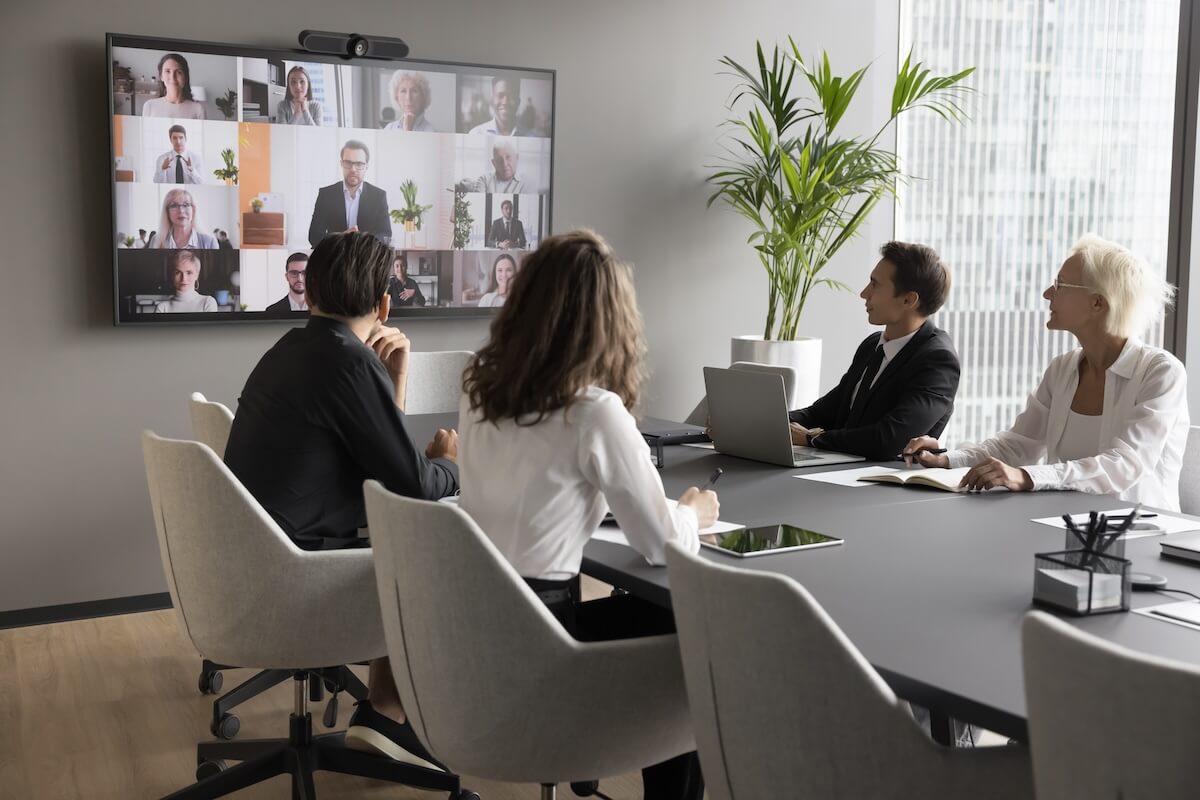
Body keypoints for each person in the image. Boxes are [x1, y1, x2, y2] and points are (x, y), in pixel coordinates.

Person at [458, 229, 716, 800]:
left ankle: (589, 756)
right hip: (548, 658)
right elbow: (661, 547)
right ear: (608, 320)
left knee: (639, 609)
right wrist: (692, 514)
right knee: (691, 627)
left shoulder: (480, 391)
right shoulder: (594, 413)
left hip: (479, 642)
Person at [223, 231, 458, 769]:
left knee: (397, 528)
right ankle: (388, 715)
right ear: (383, 304)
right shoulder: (349, 363)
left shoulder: (291, 348)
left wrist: (393, 379)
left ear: (308, 294)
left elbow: (377, 461)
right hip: (298, 577)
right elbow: (413, 485)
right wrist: (453, 463)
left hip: (254, 565)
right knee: (423, 538)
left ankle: (386, 711)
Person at [904, 234, 1189, 509]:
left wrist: (1027, 477)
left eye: (1060, 285)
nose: (1047, 293)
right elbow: (1018, 445)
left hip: (1144, 533)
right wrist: (947, 459)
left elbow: (1125, 464)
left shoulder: (1161, 373)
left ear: (1098, 302)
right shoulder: (1063, 369)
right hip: (1068, 525)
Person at [785, 241, 961, 460]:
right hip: (838, 472)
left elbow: (889, 439)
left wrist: (812, 439)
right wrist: (770, 422)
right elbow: (823, 412)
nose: (864, 293)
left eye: (875, 285)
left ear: (908, 299)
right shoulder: (872, 346)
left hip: (883, 485)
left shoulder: (938, 360)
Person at [308, 140, 393, 247]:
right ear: (341, 164)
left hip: (366, 258)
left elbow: (386, 234)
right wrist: (341, 238)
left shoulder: (378, 196)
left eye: (359, 164)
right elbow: (314, 235)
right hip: (334, 257)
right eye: (348, 163)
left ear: (366, 166)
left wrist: (362, 240)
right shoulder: (326, 194)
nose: (353, 169)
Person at [142, 53, 206, 119]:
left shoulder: (198, 109)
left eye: (178, 72)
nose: (173, 77)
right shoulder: (149, 106)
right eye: (167, 71)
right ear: (161, 76)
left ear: (186, 77)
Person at [152, 188, 217, 249]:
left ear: (193, 210)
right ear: (167, 211)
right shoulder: (156, 240)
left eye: (186, 205)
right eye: (174, 205)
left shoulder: (209, 241)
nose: (181, 210)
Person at [456, 139, 525, 194]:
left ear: (516, 157)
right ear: (493, 163)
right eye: (499, 160)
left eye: (508, 157)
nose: (504, 164)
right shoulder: (484, 179)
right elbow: (479, 202)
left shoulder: (528, 183)